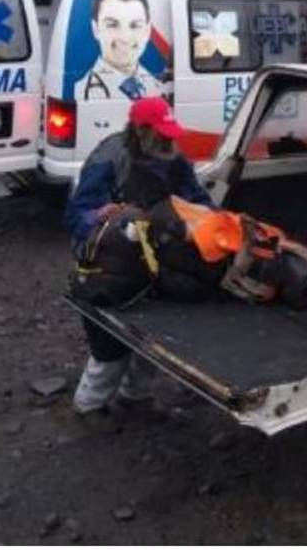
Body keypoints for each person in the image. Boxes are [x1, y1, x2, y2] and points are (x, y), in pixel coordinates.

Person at [65, 96, 213, 415]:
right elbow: (76, 215)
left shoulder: (175, 158)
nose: (168, 139)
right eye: (160, 133)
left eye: (170, 132)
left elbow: (198, 199)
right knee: (110, 344)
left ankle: (136, 395)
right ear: (139, 130)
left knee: (155, 334)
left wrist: (212, 222)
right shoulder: (109, 156)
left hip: (158, 257)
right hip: (110, 263)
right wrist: (99, 216)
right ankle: (89, 406)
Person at [73, 0, 162, 101]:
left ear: (147, 30)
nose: (125, 38)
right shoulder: (80, 91)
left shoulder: (159, 87)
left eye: (135, 25)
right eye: (112, 25)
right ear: (96, 29)